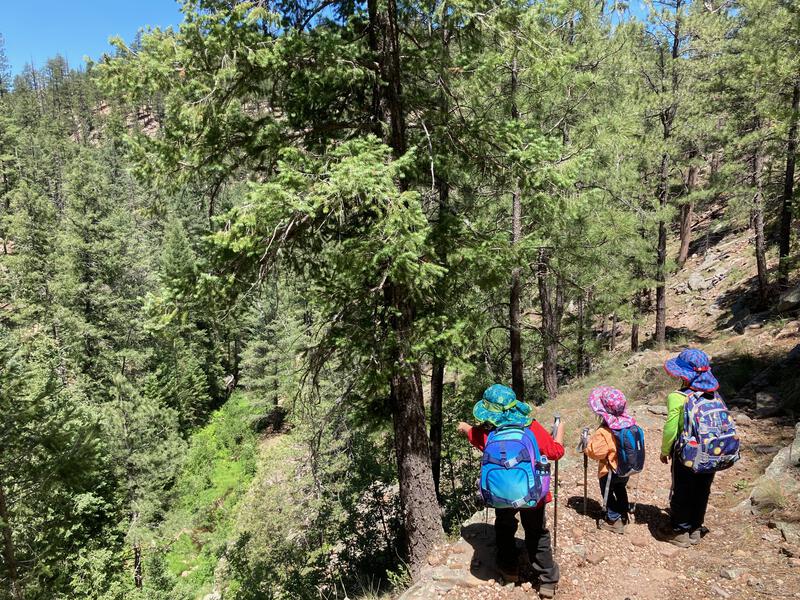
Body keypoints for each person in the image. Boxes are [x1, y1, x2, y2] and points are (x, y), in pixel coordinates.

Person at [457, 384, 564, 599]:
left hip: (501, 495)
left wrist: (465, 427)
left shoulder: (487, 433)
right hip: (533, 494)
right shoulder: (531, 427)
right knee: (536, 532)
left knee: (504, 529)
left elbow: (472, 434)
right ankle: (547, 580)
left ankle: (509, 570)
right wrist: (560, 430)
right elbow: (555, 452)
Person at [661, 348, 720, 548]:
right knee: (702, 490)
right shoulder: (713, 394)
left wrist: (665, 450)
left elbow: (671, 428)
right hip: (712, 451)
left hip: (687, 452)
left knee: (682, 490)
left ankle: (680, 531)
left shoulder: (678, 397)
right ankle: (695, 527)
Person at [584, 386, 637, 534]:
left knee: (607, 492)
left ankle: (614, 520)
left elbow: (596, 453)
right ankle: (624, 512)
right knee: (620, 489)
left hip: (609, 470)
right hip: (626, 468)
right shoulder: (630, 424)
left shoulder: (604, 431)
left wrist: (587, 445)